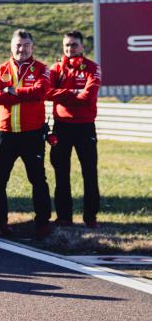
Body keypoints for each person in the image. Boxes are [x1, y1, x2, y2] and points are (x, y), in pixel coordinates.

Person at [0, 29, 52, 238]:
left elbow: (41, 92)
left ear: (32, 47)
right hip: (4, 133)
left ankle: (42, 223)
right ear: (11, 46)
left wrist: (13, 91)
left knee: (38, 180)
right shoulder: (0, 70)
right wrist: (24, 94)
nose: (21, 49)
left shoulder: (42, 68)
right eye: (17, 45)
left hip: (32, 134)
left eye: (25, 45)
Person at [49, 30, 102, 228]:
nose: (70, 48)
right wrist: (72, 93)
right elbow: (47, 91)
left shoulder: (92, 68)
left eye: (74, 45)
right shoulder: (56, 68)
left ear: (82, 47)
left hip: (85, 127)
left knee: (89, 172)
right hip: (61, 127)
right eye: (67, 45)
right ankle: (64, 217)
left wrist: (61, 94)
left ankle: (91, 217)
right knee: (61, 172)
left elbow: (87, 96)